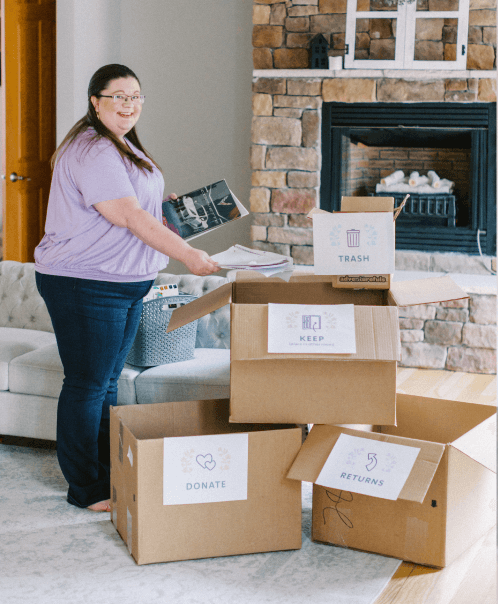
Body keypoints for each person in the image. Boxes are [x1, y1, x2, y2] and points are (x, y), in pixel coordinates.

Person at [34, 64, 220, 512]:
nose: (129, 105)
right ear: (95, 101)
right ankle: (85, 487)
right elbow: (128, 217)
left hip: (125, 281)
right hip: (85, 283)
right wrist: (191, 257)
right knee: (87, 383)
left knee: (107, 383)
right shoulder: (94, 148)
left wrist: (166, 208)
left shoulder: (122, 146)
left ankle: (109, 473)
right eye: (119, 96)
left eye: (136, 96)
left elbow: (138, 207)